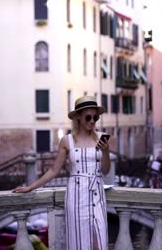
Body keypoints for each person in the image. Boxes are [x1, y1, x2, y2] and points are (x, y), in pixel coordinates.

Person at [13, 96, 110, 250]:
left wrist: (105, 153)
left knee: (100, 243)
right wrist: (31, 187)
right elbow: (53, 170)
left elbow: (105, 171)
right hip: (76, 197)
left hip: (97, 195)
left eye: (95, 117)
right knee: (79, 243)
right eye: (88, 117)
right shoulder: (67, 141)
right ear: (78, 116)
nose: (92, 121)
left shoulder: (101, 138)